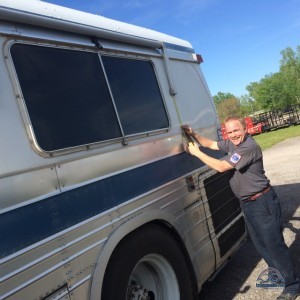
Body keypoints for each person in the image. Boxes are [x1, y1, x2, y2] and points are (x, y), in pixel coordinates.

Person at [182, 117, 300, 300]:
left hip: (262, 202)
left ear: (245, 129)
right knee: (260, 243)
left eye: (236, 131)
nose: (233, 135)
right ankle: (277, 274)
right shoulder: (231, 144)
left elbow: (221, 167)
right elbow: (212, 144)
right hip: (248, 203)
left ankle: (292, 285)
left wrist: (196, 153)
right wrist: (193, 134)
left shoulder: (248, 147)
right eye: (229, 132)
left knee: (274, 244)